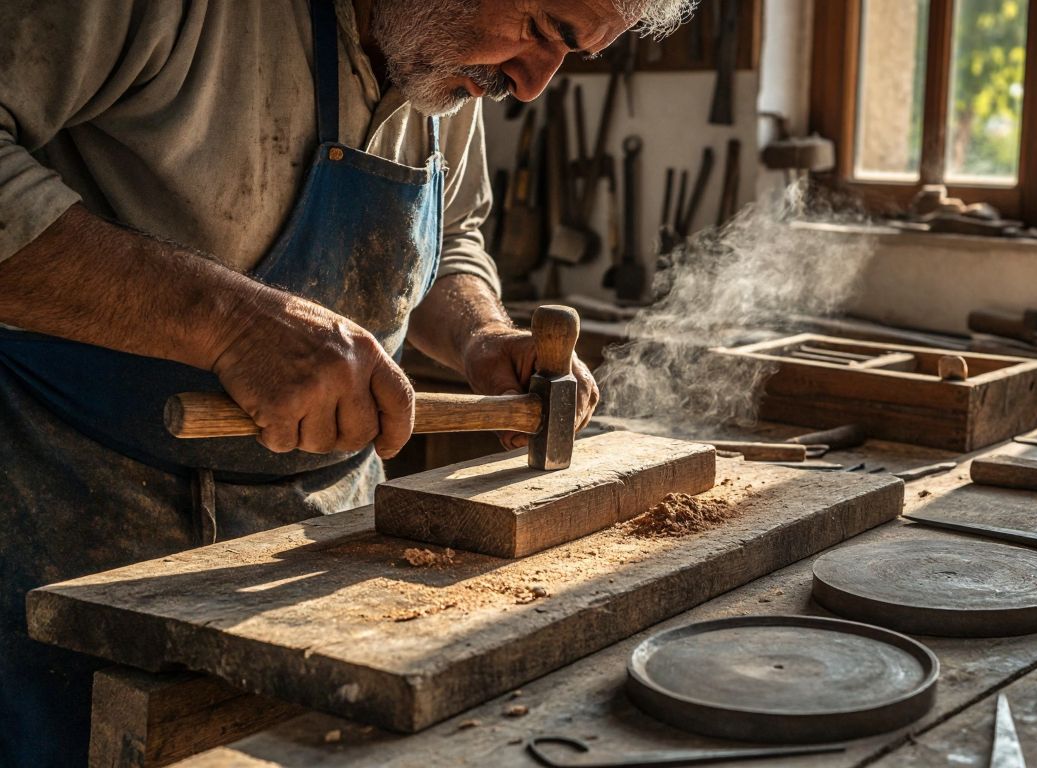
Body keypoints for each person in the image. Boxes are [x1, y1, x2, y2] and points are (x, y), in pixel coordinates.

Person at [0, 0, 689, 763]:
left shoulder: (446, 63)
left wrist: (481, 333)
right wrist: (231, 322)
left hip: (321, 542)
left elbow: (448, 240)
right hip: (68, 514)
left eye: (573, 53)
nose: (532, 86)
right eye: (542, 30)